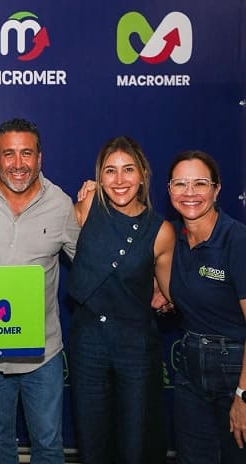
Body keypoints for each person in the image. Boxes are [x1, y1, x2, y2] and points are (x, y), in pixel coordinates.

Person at [0, 118, 81, 464]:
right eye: (8, 154)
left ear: (39, 158)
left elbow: (89, 263)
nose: (18, 163)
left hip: (42, 356)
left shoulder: (60, 205)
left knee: (48, 444)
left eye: (26, 153)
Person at [67, 136, 175, 464]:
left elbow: (171, 292)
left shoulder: (161, 231)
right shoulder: (87, 206)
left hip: (136, 347)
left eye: (128, 169)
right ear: (99, 178)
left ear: (143, 175)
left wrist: (165, 297)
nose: (119, 180)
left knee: (136, 446)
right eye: (110, 171)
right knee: (92, 445)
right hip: (88, 345)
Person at [167, 150, 246, 463]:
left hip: (235, 372)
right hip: (189, 371)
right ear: (169, 190)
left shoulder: (237, 240)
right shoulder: (172, 238)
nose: (189, 193)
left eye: (200, 183)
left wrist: (243, 396)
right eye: (180, 184)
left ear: (217, 189)